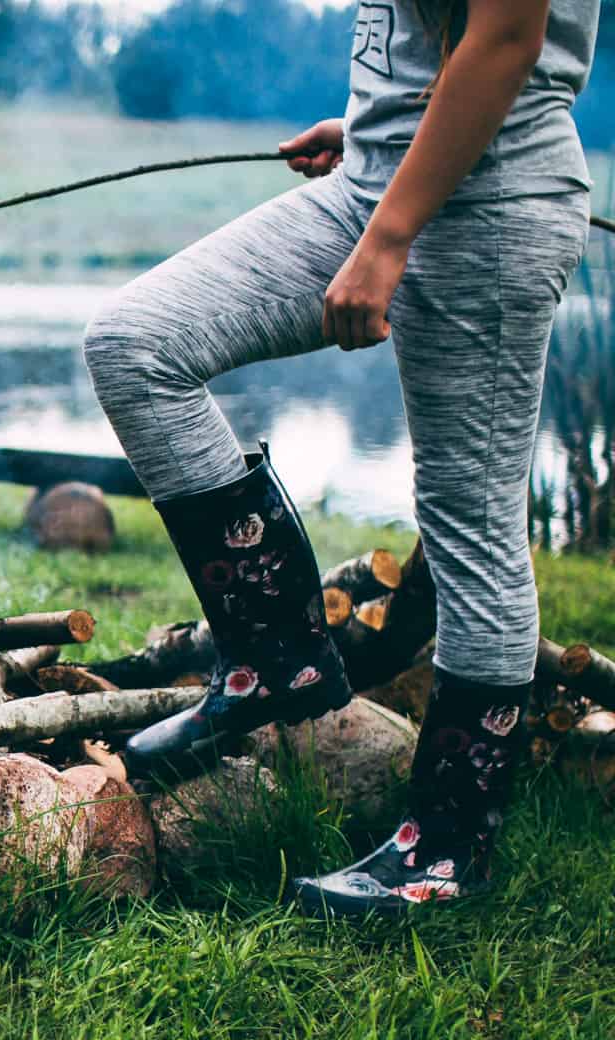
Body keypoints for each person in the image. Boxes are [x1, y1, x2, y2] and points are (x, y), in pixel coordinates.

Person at [83, 0, 600, 917]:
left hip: (485, 210)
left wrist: (392, 234)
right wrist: (379, 128)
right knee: (136, 343)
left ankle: (446, 851)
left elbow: (511, 38)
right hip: (380, 180)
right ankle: (272, 660)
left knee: (470, 518)